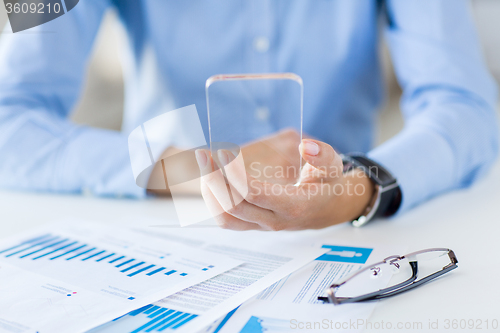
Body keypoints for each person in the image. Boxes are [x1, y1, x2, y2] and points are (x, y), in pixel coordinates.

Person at [0, 0, 497, 231]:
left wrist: (355, 190)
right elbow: (9, 121)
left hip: (347, 233)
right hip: (162, 226)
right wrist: (200, 169)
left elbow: (468, 107)